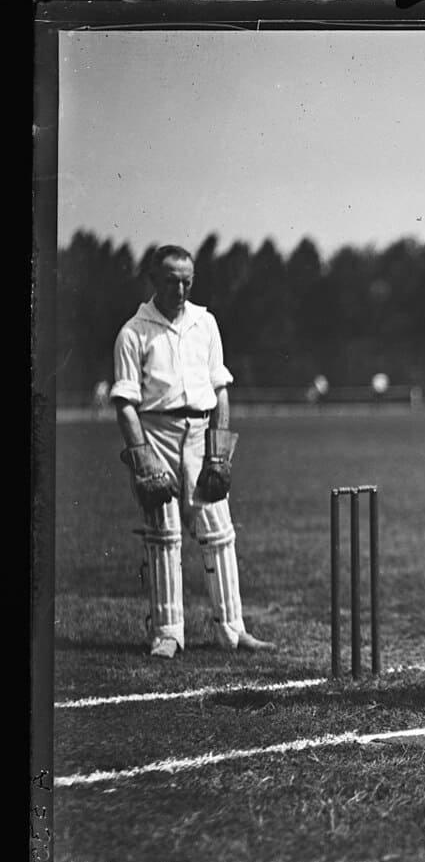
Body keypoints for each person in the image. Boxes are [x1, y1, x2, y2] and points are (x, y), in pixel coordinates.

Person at [110, 244, 274, 659]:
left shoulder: (205, 322)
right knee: (164, 535)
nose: (180, 290)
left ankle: (233, 630)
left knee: (219, 532)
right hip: (157, 432)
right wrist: (142, 455)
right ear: (154, 279)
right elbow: (125, 403)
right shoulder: (134, 331)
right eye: (171, 281)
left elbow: (220, 389)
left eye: (187, 281)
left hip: (201, 433)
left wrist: (219, 450)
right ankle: (168, 633)